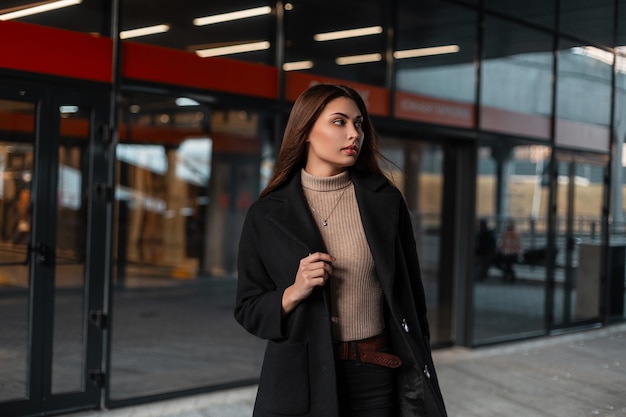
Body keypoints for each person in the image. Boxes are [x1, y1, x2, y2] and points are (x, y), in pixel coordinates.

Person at [234, 84, 447, 417]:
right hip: (300, 380)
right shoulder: (267, 214)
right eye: (339, 122)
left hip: (377, 377)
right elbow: (248, 308)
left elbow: (412, 300)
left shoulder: (385, 202)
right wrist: (293, 291)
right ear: (305, 130)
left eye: (359, 123)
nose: (354, 133)